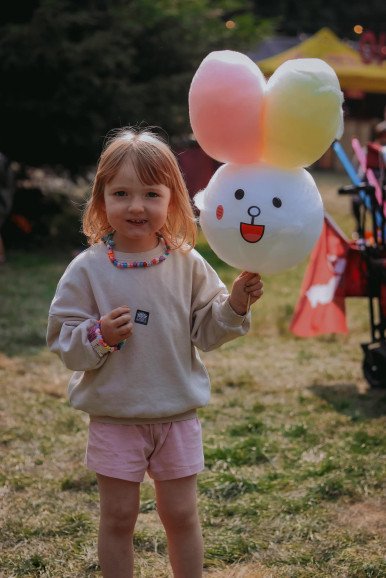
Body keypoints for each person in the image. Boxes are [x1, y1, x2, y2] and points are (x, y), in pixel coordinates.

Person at [46, 127, 263, 578]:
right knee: (119, 518)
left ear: (173, 199)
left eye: (151, 193)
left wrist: (236, 303)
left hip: (176, 415)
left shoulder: (188, 264)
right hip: (115, 417)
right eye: (121, 193)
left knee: (181, 515)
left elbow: (208, 329)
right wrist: (98, 335)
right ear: (102, 198)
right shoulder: (88, 269)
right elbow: (63, 339)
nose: (137, 206)